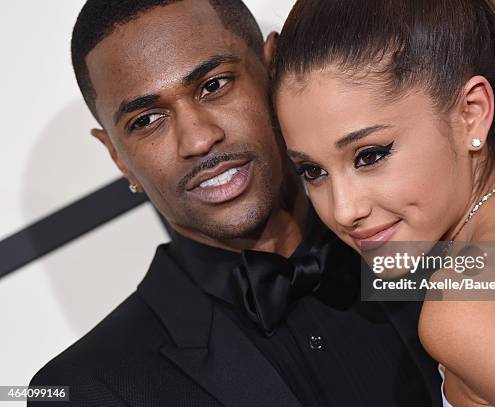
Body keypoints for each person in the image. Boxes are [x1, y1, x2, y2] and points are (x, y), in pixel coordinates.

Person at [28, 0, 441, 406]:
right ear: (119, 158)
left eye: (214, 85)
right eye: (146, 120)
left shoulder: (451, 250)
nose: (198, 139)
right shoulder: (89, 390)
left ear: (273, 69)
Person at [272, 0, 495, 406]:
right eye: (313, 172)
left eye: (371, 155)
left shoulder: (466, 307)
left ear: (471, 113)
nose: (344, 211)